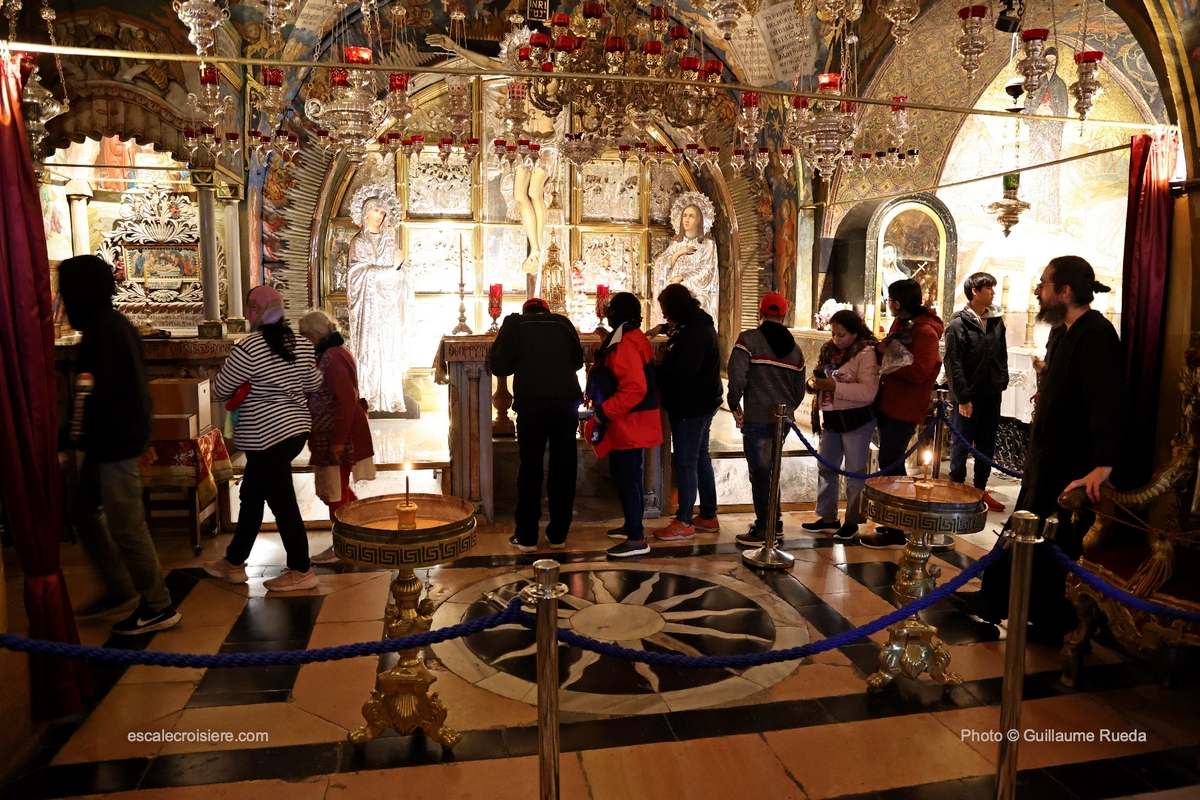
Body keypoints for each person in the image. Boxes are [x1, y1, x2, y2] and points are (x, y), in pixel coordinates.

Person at [959, 256, 1122, 643]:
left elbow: (1107, 401)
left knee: (1056, 541)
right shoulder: (1064, 333)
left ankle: (1050, 617)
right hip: (1045, 459)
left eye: (1044, 284)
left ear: (1064, 291)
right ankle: (1004, 601)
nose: (1038, 291)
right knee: (1027, 530)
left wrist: (1103, 464)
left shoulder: (1096, 334)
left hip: (1073, 462)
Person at [58, 255, 181, 635]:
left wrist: (81, 436)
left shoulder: (110, 330)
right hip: (103, 444)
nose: (63, 301)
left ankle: (158, 605)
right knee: (82, 511)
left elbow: (114, 395)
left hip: (116, 444)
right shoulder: (102, 328)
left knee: (127, 525)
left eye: (66, 292)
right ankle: (117, 586)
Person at [205, 286, 324, 592]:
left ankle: (301, 568)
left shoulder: (249, 348)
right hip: (294, 431)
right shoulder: (301, 344)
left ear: (254, 312)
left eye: (249, 309)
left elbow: (218, 390)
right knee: (252, 496)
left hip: (265, 436)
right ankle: (234, 562)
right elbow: (313, 382)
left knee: (282, 502)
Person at [488, 297, 584, 552]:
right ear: (547, 311)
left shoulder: (515, 324)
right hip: (565, 405)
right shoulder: (563, 323)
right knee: (564, 467)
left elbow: (498, 364)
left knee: (530, 468)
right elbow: (578, 361)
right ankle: (558, 535)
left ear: (526, 311)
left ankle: (527, 536)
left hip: (532, 405)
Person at [859, 279, 944, 549]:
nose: (889, 304)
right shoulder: (903, 325)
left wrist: (888, 362)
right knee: (889, 463)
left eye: (891, 300)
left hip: (905, 406)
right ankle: (891, 523)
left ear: (898, 302)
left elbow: (921, 371)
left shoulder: (925, 332)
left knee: (891, 465)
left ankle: (897, 528)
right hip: (889, 402)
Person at [585, 292, 663, 559]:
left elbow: (634, 388)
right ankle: (632, 525)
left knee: (628, 477)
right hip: (633, 421)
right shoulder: (631, 336)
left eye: (611, 310)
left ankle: (636, 538)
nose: (608, 314)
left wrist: (605, 411)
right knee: (627, 475)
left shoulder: (626, 343)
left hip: (631, 422)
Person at [727, 292, 807, 547]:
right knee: (771, 470)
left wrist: (734, 404)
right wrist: (786, 410)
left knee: (760, 473)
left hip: (758, 416)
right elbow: (799, 391)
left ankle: (765, 527)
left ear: (760, 312)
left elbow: (737, 377)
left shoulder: (749, 341)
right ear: (783, 315)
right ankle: (775, 522)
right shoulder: (795, 351)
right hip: (781, 420)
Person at [298, 310, 376, 564]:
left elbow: (345, 400)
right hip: (330, 433)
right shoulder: (332, 354)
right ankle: (360, 533)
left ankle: (344, 545)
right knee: (338, 489)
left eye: (305, 337)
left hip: (337, 434)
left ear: (315, 335)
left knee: (335, 490)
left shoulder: (331, 357)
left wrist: (338, 441)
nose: (304, 342)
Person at [651, 284, 722, 541]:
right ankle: (708, 515)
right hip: (703, 401)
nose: (666, 318)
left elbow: (683, 372)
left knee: (686, 461)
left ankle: (683, 521)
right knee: (700, 456)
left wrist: (657, 367)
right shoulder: (697, 324)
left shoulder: (693, 332)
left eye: (667, 312)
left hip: (691, 404)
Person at [804, 309, 879, 542]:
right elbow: (821, 375)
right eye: (833, 333)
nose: (836, 339)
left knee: (854, 472)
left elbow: (868, 392)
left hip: (856, 419)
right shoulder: (829, 350)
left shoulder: (866, 353)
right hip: (832, 418)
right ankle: (827, 516)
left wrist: (835, 386)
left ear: (855, 333)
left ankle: (853, 521)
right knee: (826, 466)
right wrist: (813, 384)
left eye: (842, 335)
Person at [943, 272, 1009, 512]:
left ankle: (980, 490)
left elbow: (1001, 354)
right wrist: (963, 397)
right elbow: (954, 362)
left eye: (993, 288)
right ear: (974, 291)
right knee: (962, 441)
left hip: (991, 392)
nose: (992, 292)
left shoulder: (995, 320)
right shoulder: (958, 323)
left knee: (986, 443)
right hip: (968, 394)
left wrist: (1001, 380)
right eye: (988, 288)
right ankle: (955, 490)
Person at [347, 184, 410, 414]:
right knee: (369, 351)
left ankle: (392, 397)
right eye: (376, 211)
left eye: (383, 213)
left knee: (390, 349)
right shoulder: (359, 243)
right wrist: (389, 270)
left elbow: (400, 271)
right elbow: (357, 275)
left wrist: (399, 271)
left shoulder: (389, 241)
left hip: (388, 307)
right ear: (365, 213)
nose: (380, 216)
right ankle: (370, 396)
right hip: (369, 309)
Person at [651, 192, 720, 320]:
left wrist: (683, 278)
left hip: (696, 296)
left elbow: (707, 271)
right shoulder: (676, 244)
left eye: (691, 216)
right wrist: (678, 253)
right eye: (685, 216)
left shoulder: (707, 245)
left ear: (699, 220)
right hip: (674, 294)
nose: (687, 219)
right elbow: (661, 264)